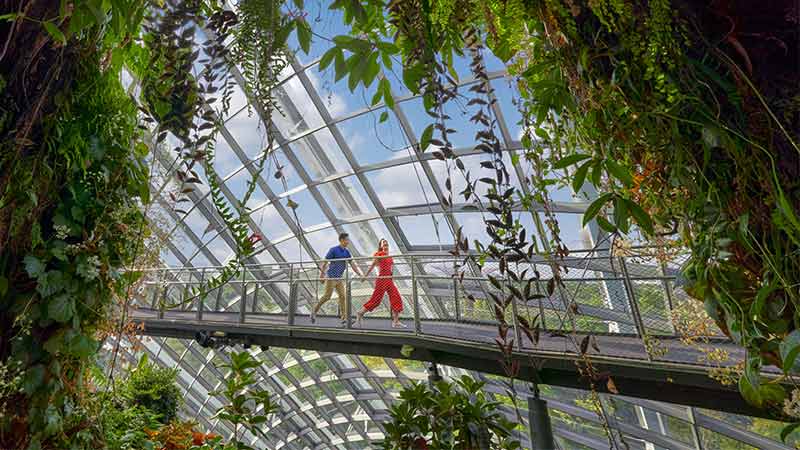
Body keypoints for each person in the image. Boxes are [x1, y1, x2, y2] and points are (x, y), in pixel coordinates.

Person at [312, 232, 363, 325]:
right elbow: (325, 262)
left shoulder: (347, 252)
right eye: (347, 240)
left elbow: (352, 264)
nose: (348, 242)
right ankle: (314, 311)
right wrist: (322, 276)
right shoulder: (333, 250)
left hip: (339, 278)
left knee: (343, 297)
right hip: (331, 277)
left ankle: (344, 318)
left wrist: (359, 274)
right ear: (342, 240)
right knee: (327, 296)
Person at [356, 238, 405, 328]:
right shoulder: (379, 255)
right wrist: (365, 276)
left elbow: (391, 269)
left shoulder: (390, 257)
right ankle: (360, 313)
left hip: (389, 280)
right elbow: (372, 266)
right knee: (376, 300)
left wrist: (392, 277)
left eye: (387, 245)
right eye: (384, 245)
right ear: (381, 247)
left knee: (396, 298)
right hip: (381, 280)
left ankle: (396, 321)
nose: (386, 246)